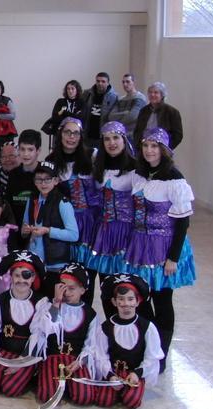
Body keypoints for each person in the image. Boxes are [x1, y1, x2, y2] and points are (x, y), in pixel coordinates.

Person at [124, 128, 195, 372]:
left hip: (163, 246)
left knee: (163, 299)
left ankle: (161, 354)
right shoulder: (140, 175)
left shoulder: (174, 178)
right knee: (141, 297)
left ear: (164, 150)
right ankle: (147, 345)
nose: (149, 151)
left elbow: (183, 221)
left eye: (155, 146)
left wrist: (173, 257)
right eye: (146, 146)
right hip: (141, 246)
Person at [0, 250, 48, 397]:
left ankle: (31, 374)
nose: (21, 280)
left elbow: (37, 335)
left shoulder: (41, 302)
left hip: (25, 356)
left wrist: (21, 362)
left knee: (10, 389)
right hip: (3, 352)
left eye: (26, 275)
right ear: (11, 276)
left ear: (33, 278)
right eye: (17, 275)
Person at [90, 273, 164, 409]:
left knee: (131, 401)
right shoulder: (105, 328)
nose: (126, 304)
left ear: (138, 301)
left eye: (130, 299)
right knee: (103, 401)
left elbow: (152, 356)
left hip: (134, 374)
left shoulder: (147, 327)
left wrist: (137, 373)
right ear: (114, 302)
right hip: (114, 373)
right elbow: (100, 355)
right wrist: (110, 375)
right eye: (121, 299)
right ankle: (116, 391)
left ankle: (128, 391)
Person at [86, 121, 139, 312]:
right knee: (107, 287)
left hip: (127, 233)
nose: (111, 143)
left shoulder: (135, 169)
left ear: (124, 140)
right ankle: (111, 331)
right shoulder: (99, 168)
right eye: (107, 139)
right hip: (104, 232)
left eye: (116, 138)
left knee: (126, 285)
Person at [31, 263, 98, 406]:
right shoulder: (49, 305)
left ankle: (69, 386)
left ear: (83, 290)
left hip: (75, 361)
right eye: (63, 287)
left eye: (72, 288)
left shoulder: (90, 314)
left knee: (85, 397)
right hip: (52, 357)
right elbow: (45, 329)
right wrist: (56, 303)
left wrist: (81, 362)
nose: (66, 292)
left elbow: (91, 345)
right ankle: (51, 381)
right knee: (47, 395)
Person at [47, 117, 98, 300]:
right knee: (66, 274)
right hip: (65, 223)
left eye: (75, 133)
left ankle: (84, 314)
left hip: (89, 223)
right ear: (60, 134)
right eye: (67, 132)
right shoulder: (51, 160)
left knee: (86, 274)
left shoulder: (92, 156)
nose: (71, 137)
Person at [22, 161, 79, 297]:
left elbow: (73, 235)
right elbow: (24, 226)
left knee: (51, 302)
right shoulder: (32, 199)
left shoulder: (63, 202)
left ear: (56, 181)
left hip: (54, 265)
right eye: (39, 180)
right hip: (34, 262)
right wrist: (24, 231)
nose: (43, 184)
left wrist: (48, 231)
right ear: (35, 182)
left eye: (47, 179)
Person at [4, 130, 43, 223]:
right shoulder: (13, 174)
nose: (26, 154)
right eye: (22, 149)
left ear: (38, 151)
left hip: (39, 228)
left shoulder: (45, 173)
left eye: (30, 149)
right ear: (18, 150)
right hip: (17, 228)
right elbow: (8, 204)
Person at [133, 82, 183, 151]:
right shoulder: (143, 111)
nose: (152, 95)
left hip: (163, 150)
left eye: (156, 92)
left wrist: (166, 148)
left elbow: (178, 135)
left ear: (162, 95)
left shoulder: (172, 112)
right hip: (144, 149)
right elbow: (137, 131)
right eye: (150, 92)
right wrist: (139, 146)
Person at [81, 73, 118, 147]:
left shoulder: (114, 97)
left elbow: (113, 117)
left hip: (103, 135)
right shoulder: (87, 94)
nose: (100, 83)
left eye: (103, 81)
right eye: (98, 81)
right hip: (87, 134)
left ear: (108, 83)